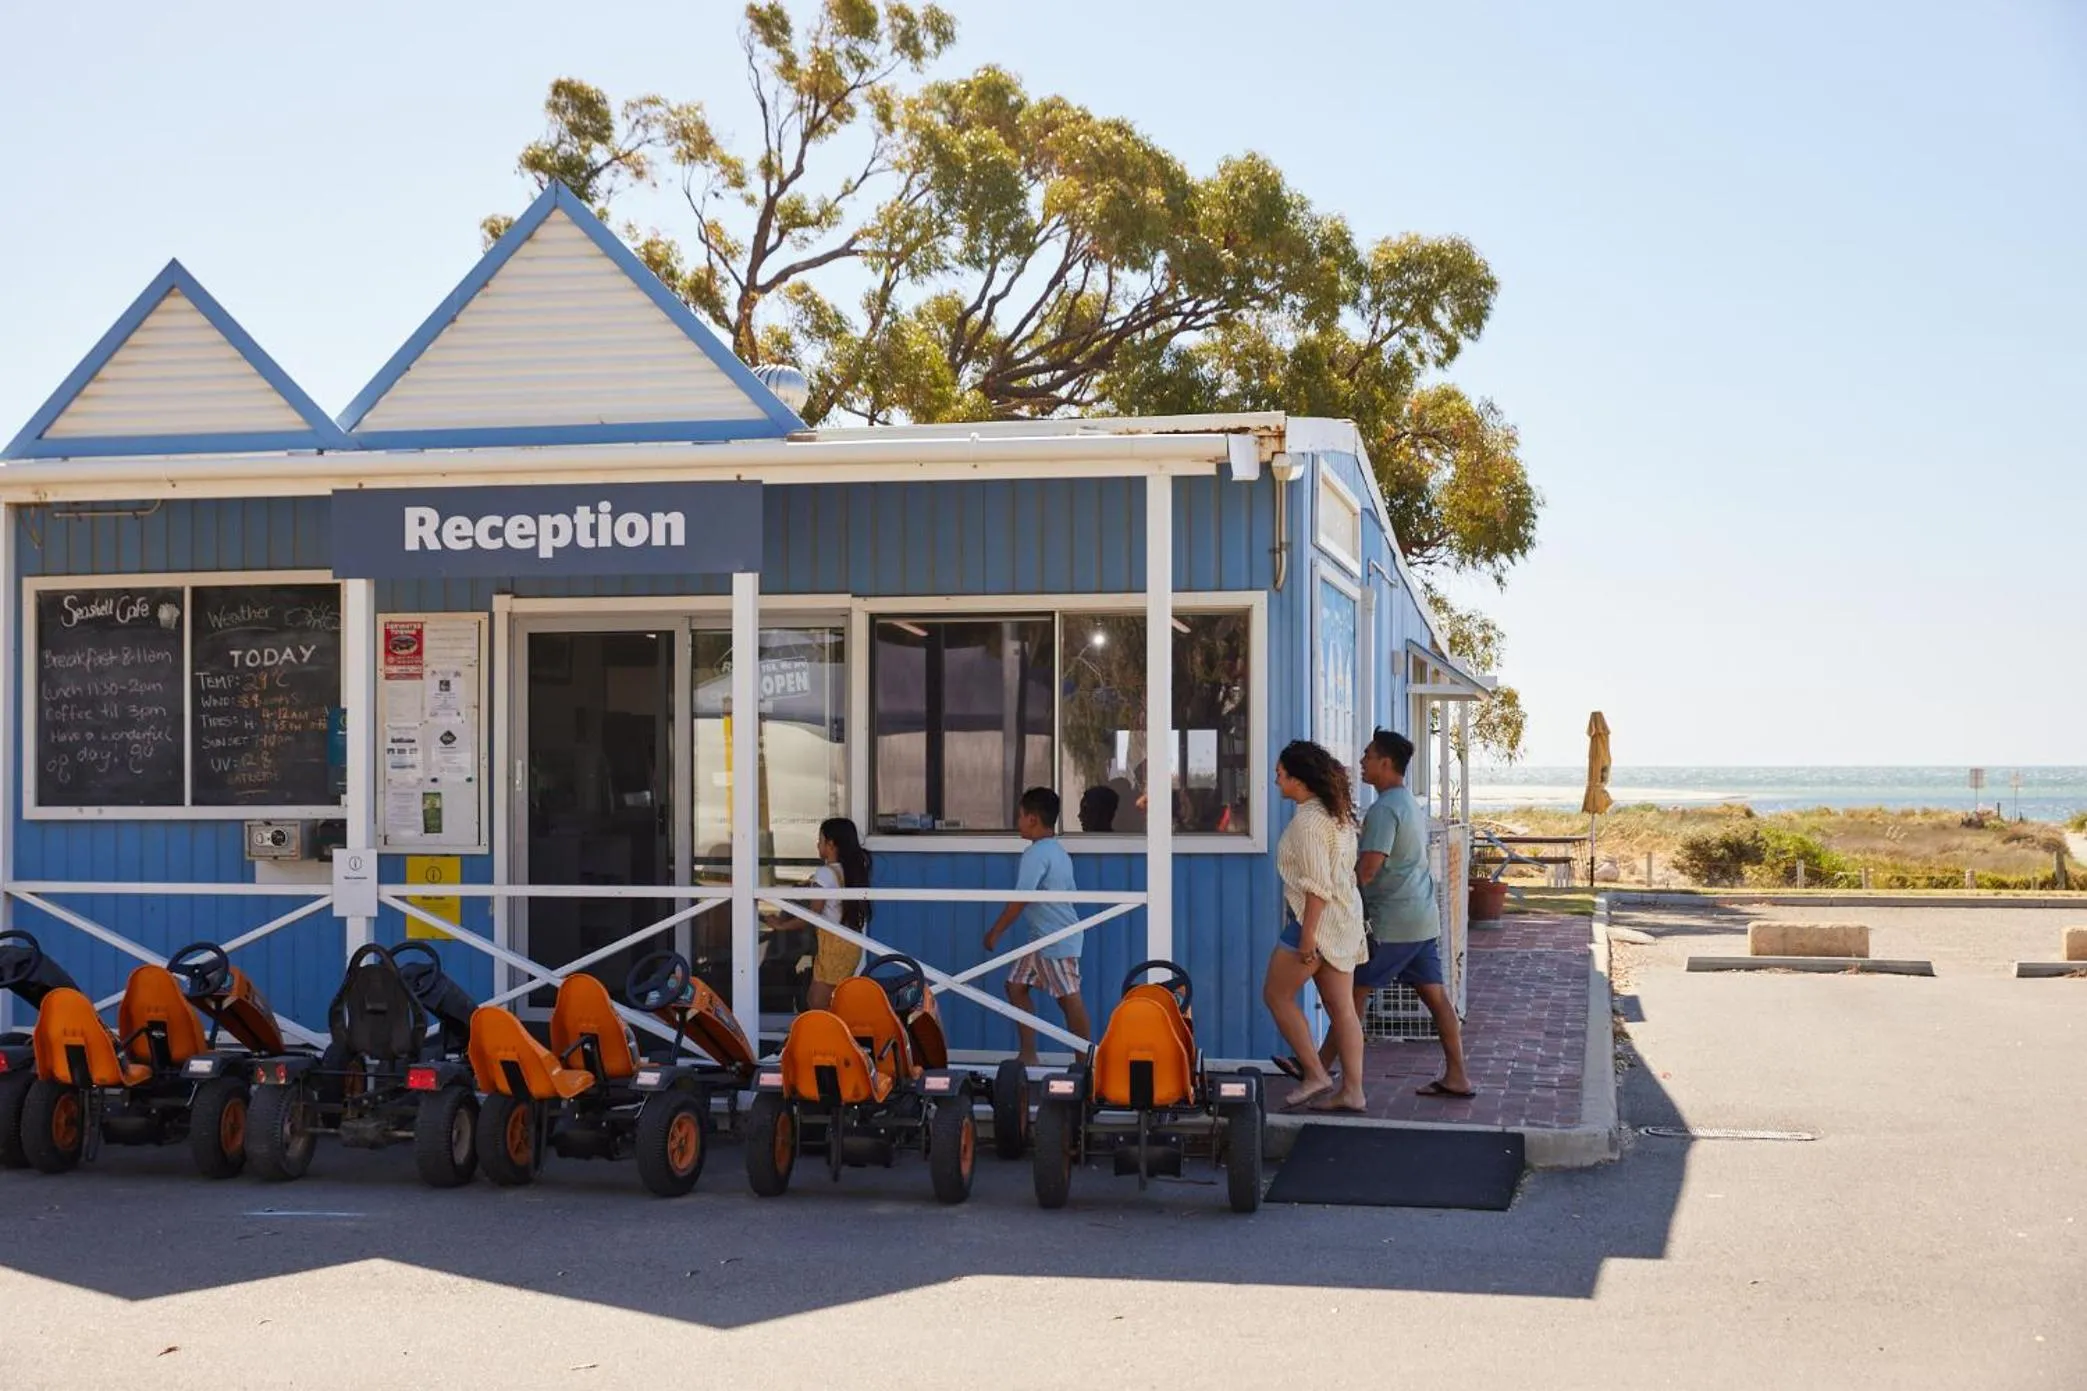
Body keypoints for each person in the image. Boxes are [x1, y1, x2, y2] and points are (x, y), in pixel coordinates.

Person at [1282, 730, 1474, 1098]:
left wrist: (1336, 897)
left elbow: (1367, 870)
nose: (1361, 762)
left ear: (1386, 763)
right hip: (1421, 918)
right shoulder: (1407, 803)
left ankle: (1321, 1072)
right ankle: (1457, 1076)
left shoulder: (1385, 809)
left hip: (1393, 923)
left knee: (1350, 995)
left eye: (1368, 756)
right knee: (1436, 998)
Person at [1261, 740, 1370, 1113]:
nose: (1276, 782)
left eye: (1280, 775)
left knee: (1276, 996)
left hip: (1316, 923)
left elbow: (1316, 886)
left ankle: (1315, 1073)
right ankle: (1353, 1091)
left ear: (1299, 780)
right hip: (1344, 922)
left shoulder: (1307, 822)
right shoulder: (1337, 818)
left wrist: (1308, 937)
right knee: (1343, 1010)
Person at [984, 787, 1093, 1065]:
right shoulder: (1057, 851)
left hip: (1056, 940)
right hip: (1039, 940)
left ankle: (1086, 1063)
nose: (1017, 822)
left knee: (1069, 999)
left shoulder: (1036, 854)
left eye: (1020, 816)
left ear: (1032, 819)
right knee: (1015, 986)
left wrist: (996, 931)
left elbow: (1022, 899)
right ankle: (1029, 1054)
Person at [805, 817, 871, 1013]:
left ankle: (828, 1041)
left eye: (821, 839)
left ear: (831, 844)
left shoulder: (824, 873)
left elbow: (812, 913)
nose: (818, 844)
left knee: (818, 1003)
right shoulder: (850, 871)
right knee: (834, 1003)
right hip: (850, 946)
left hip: (833, 947)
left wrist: (783, 926)